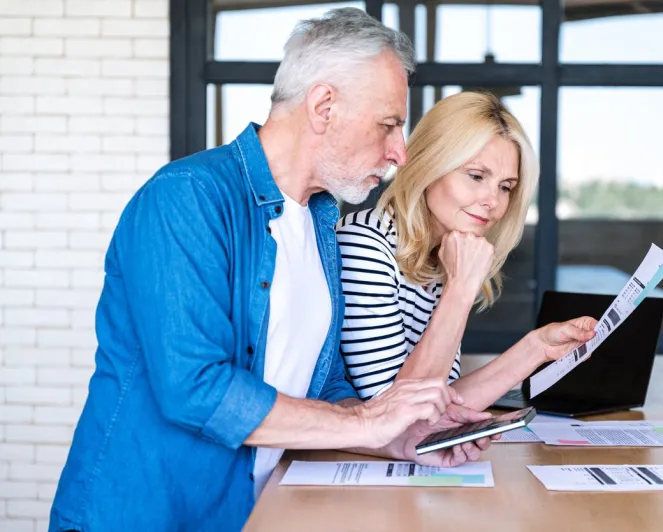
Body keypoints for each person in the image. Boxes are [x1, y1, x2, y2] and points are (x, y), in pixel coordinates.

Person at [50, 9, 494, 532]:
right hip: (142, 518)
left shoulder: (320, 223)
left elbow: (320, 390)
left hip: (250, 514)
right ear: (324, 106)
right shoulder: (186, 198)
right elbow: (195, 387)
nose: (399, 151)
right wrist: (368, 420)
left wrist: (398, 438)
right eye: (389, 124)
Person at [337, 91, 598, 408]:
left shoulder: (441, 255)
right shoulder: (364, 243)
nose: (494, 201)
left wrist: (538, 348)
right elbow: (398, 412)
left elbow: (441, 396)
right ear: (429, 165)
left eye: (505, 187)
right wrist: (460, 289)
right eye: (476, 176)